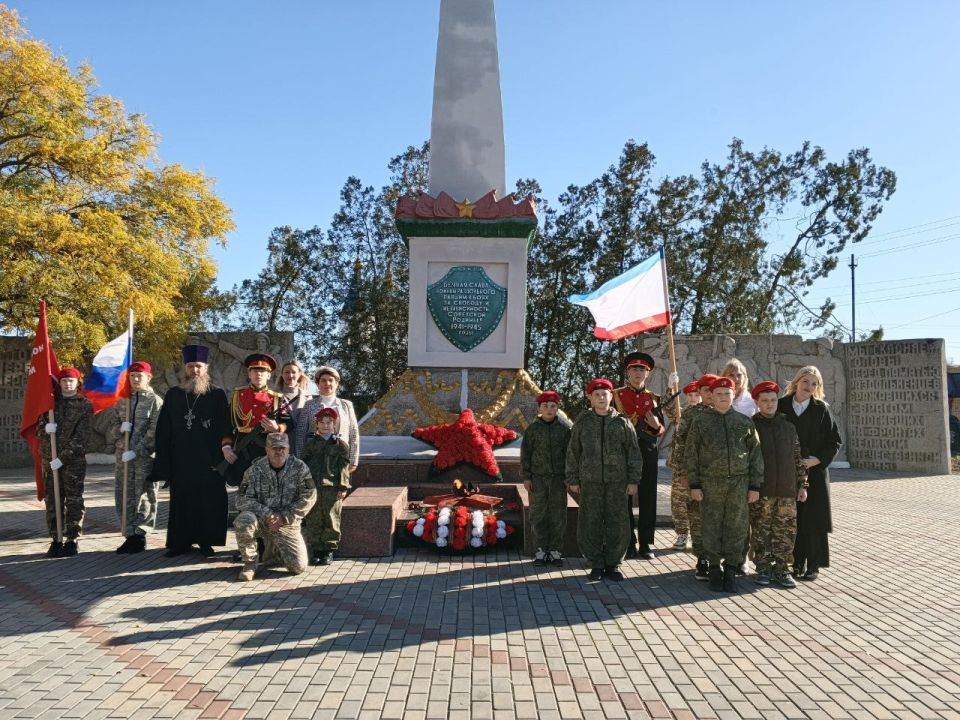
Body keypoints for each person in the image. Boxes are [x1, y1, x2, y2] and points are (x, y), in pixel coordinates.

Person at [685, 376, 763, 593]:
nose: (723, 397)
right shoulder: (701, 422)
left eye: (727, 393)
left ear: (733, 394)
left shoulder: (744, 422)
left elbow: (756, 455)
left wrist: (755, 486)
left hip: (739, 483)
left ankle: (730, 569)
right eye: (718, 394)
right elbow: (691, 454)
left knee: (736, 527)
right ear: (711, 396)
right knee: (711, 526)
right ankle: (714, 569)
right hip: (710, 483)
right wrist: (694, 484)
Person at [151, 345, 231, 557]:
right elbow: (163, 430)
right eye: (190, 366)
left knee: (208, 501)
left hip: (208, 460)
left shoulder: (217, 395)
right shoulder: (174, 395)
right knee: (181, 501)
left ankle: (206, 542)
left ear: (206, 368)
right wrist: (164, 460)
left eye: (198, 366)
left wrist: (221, 457)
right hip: (181, 459)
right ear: (184, 368)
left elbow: (225, 426)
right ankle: (180, 543)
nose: (194, 370)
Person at [566, 378, 642, 582]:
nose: (601, 398)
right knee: (590, 521)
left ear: (611, 397)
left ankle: (614, 563)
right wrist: (573, 478)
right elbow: (573, 452)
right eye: (597, 394)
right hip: (590, 482)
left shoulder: (622, 422)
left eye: (604, 394)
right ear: (590, 398)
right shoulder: (583, 422)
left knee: (617, 522)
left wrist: (633, 480)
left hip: (617, 482)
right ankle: (596, 562)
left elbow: (634, 453)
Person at [778, 366, 842, 581]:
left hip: (814, 471)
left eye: (814, 383)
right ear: (796, 382)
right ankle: (796, 563)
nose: (809, 386)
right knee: (793, 518)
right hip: (787, 471)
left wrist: (818, 460)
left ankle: (813, 565)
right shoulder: (782, 405)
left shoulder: (821, 409)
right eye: (805, 381)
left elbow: (835, 441)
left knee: (813, 520)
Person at [613, 351, 679, 560]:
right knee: (623, 498)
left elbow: (660, 430)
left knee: (648, 498)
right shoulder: (615, 396)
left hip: (647, 453)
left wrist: (656, 425)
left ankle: (645, 543)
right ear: (628, 372)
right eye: (634, 369)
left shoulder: (654, 398)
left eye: (642, 370)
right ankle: (627, 543)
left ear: (648, 373)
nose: (638, 373)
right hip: (623, 453)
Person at [234, 432, 316, 581]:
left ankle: (273, 553)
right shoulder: (255, 469)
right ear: (267, 449)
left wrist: (284, 516)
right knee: (244, 520)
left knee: (298, 567)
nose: (279, 451)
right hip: (262, 520)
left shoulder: (299, 468)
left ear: (288, 449)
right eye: (274, 448)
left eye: (282, 448)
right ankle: (249, 564)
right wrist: (268, 514)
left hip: (287, 522)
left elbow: (309, 496)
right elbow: (241, 499)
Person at [750, 381, 808, 588]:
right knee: (761, 531)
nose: (769, 404)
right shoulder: (751, 427)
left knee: (785, 532)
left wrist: (803, 485)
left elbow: (797, 457)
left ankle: (782, 569)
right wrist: (751, 487)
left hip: (786, 490)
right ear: (757, 403)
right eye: (765, 400)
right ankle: (764, 568)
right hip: (761, 491)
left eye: (773, 400)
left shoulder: (788, 427)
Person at [39, 367, 93, 557]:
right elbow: (38, 430)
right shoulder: (50, 404)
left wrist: (62, 459)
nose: (67, 384)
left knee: (74, 500)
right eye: (64, 381)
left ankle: (72, 539)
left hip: (72, 462)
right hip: (50, 460)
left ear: (78, 383)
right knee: (53, 500)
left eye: (71, 381)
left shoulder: (84, 405)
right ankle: (56, 538)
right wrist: (46, 428)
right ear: (59, 383)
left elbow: (81, 437)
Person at [670, 374, 717, 579]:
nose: (710, 394)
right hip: (696, 475)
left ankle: (717, 560)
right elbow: (679, 445)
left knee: (716, 519)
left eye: (712, 390)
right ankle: (703, 559)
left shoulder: (726, 413)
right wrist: (682, 473)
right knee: (697, 519)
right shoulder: (690, 415)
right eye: (705, 390)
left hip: (719, 478)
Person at [113, 361, 163, 554]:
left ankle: (140, 534)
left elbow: (155, 431)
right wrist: (120, 430)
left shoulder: (155, 401)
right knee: (123, 494)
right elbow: (112, 429)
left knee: (144, 495)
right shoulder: (123, 401)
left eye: (139, 376)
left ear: (148, 378)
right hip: (123, 458)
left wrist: (138, 449)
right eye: (132, 376)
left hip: (143, 458)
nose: (135, 379)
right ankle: (129, 534)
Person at [221, 353, 291, 487]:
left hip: (267, 451)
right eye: (255, 371)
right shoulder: (237, 396)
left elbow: (289, 423)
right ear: (249, 374)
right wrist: (226, 447)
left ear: (269, 375)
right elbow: (227, 424)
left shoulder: (277, 398)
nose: (259, 374)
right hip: (242, 451)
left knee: (267, 489)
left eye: (263, 371)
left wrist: (277, 428)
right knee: (244, 489)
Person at [520, 391, 572, 567]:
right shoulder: (532, 430)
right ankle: (541, 551)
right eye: (545, 406)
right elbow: (526, 455)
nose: (549, 409)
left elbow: (569, 456)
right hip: (538, 480)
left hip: (558, 479)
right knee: (538, 515)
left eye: (553, 406)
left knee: (558, 515)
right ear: (539, 409)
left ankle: (556, 552)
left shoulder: (564, 430)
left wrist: (568, 477)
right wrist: (527, 477)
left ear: (557, 409)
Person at [300, 407, 351, 565]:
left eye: (329, 422)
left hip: (332, 487)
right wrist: (304, 486)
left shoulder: (340, 445)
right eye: (322, 422)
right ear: (317, 425)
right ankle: (316, 550)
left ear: (334, 425)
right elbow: (303, 467)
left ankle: (328, 550)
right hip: (313, 488)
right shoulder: (310, 445)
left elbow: (344, 468)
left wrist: (343, 487)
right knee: (314, 518)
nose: (325, 425)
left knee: (331, 518)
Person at [666, 380, 705, 554]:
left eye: (696, 395)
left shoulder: (707, 414)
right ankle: (682, 534)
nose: (693, 398)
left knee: (697, 503)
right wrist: (670, 387)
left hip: (698, 467)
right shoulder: (681, 413)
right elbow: (668, 408)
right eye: (690, 395)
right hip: (679, 466)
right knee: (678, 502)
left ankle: (698, 537)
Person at [297, 367, 360, 473]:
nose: (327, 383)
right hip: (314, 460)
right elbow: (300, 434)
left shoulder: (346, 405)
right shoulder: (309, 405)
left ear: (337, 383)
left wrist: (353, 460)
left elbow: (353, 433)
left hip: (340, 460)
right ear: (317, 384)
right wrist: (300, 460)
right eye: (323, 380)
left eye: (331, 380)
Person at [276, 360, 313, 457]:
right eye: (287, 372)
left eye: (293, 372)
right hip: (280, 446)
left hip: (302, 446)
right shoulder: (274, 396)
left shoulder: (308, 396)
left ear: (299, 374)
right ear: (282, 375)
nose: (290, 375)